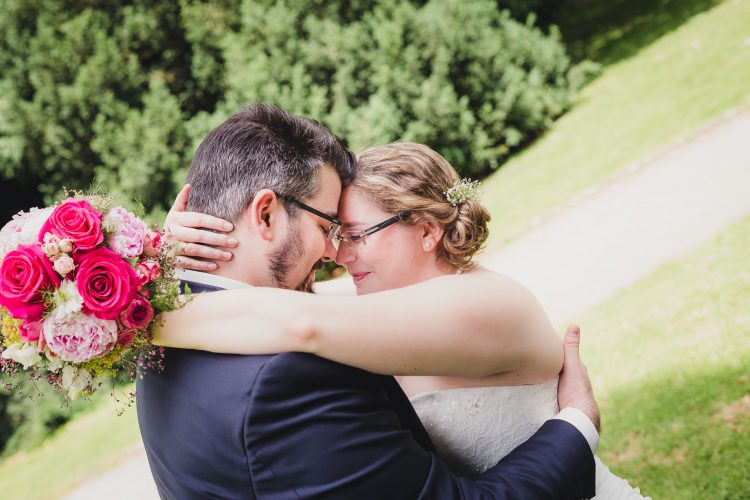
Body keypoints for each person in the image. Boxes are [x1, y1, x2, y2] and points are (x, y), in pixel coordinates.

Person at [137, 103, 599, 499]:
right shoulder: (292, 366)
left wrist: (148, 301)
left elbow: (302, 321)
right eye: (328, 229)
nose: (334, 253)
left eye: (353, 234)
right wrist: (155, 272)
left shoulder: (166, 350)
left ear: (427, 229)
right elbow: (299, 320)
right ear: (265, 214)